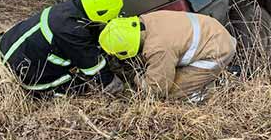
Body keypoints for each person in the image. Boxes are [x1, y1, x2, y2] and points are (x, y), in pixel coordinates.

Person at [0, 0, 124, 96]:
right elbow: (94, 68)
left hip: (6, 45)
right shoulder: (72, 32)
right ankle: (50, 91)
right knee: (81, 87)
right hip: (26, 76)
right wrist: (114, 84)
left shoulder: (70, 7)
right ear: (101, 14)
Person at [98, 10, 237, 100]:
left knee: (173, 93)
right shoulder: (145, 20)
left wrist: (136, 79)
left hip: (217, 50)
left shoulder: (158, 49)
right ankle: (210, 78)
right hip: (213, 31)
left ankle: (213, 90)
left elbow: (158, 89)